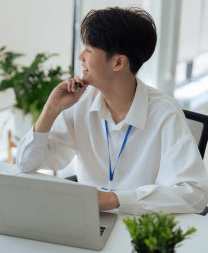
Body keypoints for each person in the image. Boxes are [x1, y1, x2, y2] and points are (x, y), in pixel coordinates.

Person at [16, 6, 208, 214]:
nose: (81, 57)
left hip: (141, 226)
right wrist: (51, 109)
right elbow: (27, 164)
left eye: (88, 50)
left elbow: (194, 193)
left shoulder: (165, 113)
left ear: (118, 62)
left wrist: (116, 200)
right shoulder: (81, 102)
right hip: (87, 219)